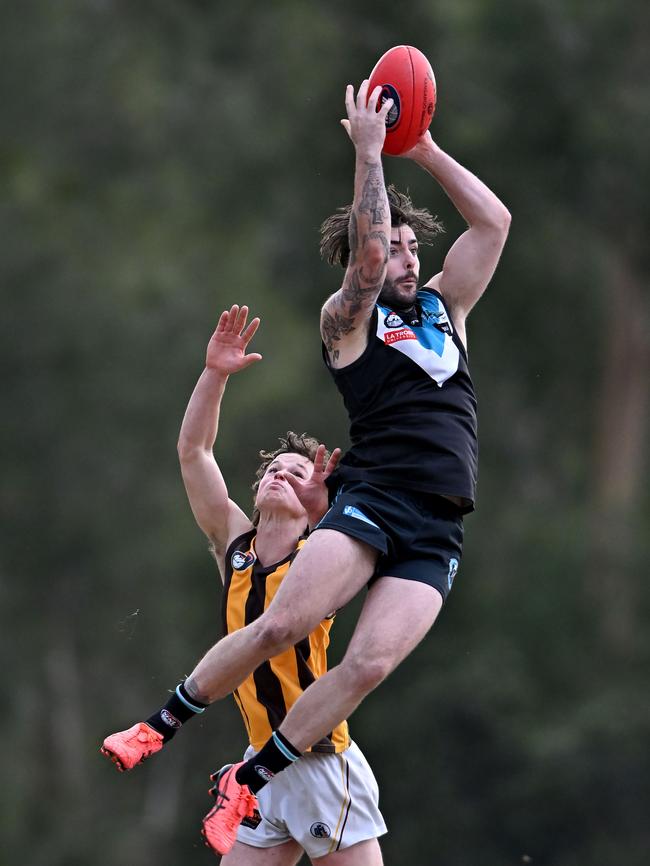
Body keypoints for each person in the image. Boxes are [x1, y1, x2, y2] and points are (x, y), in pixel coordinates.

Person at [104, 76, 511, 857]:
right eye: (393, 241)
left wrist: (420, 146)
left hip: (439, 526)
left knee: (370, 664)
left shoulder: (444, 310)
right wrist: (368, 153)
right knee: (284, 621)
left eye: (411, 243)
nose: (404, 250)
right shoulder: (347, 322)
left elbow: (493, 222)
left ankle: (248, 782)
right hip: (376, 495)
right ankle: (161, 728)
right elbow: (363, 255)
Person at [102, 304, 387, 865]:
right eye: (272, 471)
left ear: (317, 501)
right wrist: (215, 374)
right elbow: (194, 454)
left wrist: (333, 507)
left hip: (320, 761)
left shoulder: (323, 554)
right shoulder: (234, 545)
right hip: (257, 765)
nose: (281, 474)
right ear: (256, 493)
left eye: (297, 472)